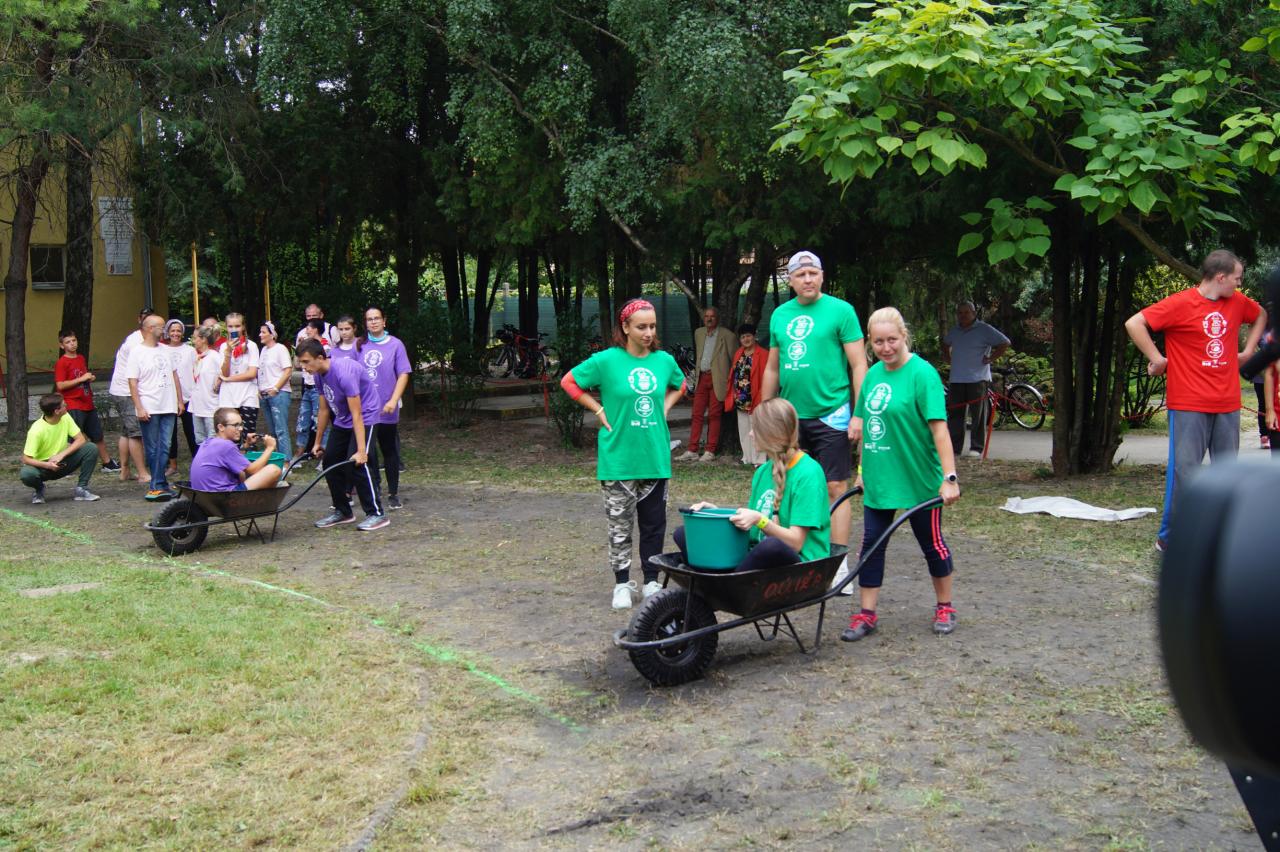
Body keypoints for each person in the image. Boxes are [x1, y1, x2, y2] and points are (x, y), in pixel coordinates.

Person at [1125, 249, 1266, 552]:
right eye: (1237, 278)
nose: (1239, 284)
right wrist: (1157, 358)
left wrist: (1248, 351)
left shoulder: (1237, 302)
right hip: (1189, 402)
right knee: (1186, 472)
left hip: (1227, 401)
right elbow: (1134, 323)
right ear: (1220, 277)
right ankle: (1171, 538)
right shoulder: (1180, 303)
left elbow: (1261, 316)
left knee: (1227, 472)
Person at [842, 308, 961, 642]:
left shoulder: (922, 374)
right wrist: (862, 470)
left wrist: (949, 478)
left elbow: (940, 431)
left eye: (892, 339)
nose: (886, 347)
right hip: (880, 478)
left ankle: (945, 606)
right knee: (871, 545)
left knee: (932, 544)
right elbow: (868, 428)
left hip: (919, 478)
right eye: (878, 342)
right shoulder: (872, 377)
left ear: (904, 336)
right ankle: (866, 614)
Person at [560, 298, 686, 610]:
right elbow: (569, 382)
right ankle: (621, 584)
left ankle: (651, 581)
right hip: (618, 460)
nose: (648, 332)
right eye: (641, 327)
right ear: (625, 327)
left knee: (654, 525)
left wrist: (664, 407)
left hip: (654, 457)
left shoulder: (663, 361)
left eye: (652, 326)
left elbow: (681, 384)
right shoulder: (606, 361)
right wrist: (598, 409)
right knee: (620, 527)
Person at [761, 250, 868, 593]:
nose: (807, 279)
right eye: (800, 274)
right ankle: (793, 559)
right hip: (790, 418)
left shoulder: (841, 311)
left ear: (822, 276)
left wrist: (859, 413)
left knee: (835, 487)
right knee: (786, 485)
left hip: (832, 413)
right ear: (790, 280)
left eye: (813, 273)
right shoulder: (780, 315)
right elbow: (773, 368)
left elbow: (859, 364)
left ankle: (837, 565)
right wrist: (763, 413)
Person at [674, 398, 829, 571]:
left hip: (799, 563)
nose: (750, 434)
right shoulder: (763, 472)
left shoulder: (808, 473)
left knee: (771, 546)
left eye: (755, 428)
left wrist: (760, 521)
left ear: (772, 433)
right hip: (758, 556)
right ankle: (717, 581)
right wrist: (716, 514)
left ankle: (722, 583)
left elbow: (795, 543)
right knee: (684, 534)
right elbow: (752, 528)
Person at [296, 338, 389, 532]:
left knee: (357, 463)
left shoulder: (343, 373)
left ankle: (376, 514)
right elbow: (323, 410)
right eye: (301, 362)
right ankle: (343, 511)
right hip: (343, 419)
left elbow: (357, 414)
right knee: (330, 462)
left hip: (366, 416)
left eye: (306, 362)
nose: (303, 367)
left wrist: (361, 451)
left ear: (320, 358)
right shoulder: (318, 375)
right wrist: (317, 442)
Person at [125, 313, 184, 501]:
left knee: (165, 446)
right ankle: (157, 485)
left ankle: (159, 485)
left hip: (168, 405)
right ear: (150, 329)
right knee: (152, 447)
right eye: (161, 326)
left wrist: (179, 400)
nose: (165, 329)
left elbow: (175, 376)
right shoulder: (137, 352)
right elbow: (132, 382)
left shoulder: (166, 350)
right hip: (150, 406)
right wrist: (139, 407)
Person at [942, 300, 1010, 459]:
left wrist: (991, 358)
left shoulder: (984, 329)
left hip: (978, 379)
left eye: (966, 312)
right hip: (957, 378)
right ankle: (955, 448)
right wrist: (948, 357)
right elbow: (945, 343)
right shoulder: (955, 330)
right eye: (960, 313)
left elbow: (1005, 342)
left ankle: (976, 447)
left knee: (978, 415)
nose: (963, 316)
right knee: (955, 415)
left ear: (973, 313)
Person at [359, 307, 412, 509]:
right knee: (369, 452)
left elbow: (403, 374)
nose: (373, 322)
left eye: (376, 318)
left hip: (387, 408)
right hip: (365, 409)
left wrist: (393, 400)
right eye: (369, 319)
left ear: (384, 321)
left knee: (389, 450)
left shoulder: (396, 344)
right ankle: (375, 488)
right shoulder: (360, 344)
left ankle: (393, 493)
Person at [53, 329, 118, 472]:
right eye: (68, 342)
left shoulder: (81, 358)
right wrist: (81, 379)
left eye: (74, 340)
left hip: (87, 402)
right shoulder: (62, 363)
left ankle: (107, 463)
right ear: (62, 346)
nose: (72, 344)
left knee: (97, 434)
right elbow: (60, 385)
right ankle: (63, 464)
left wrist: (88, 378)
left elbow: (81, 377)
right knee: (73, 437)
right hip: (73, 404)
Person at [675, 306, 733, 462]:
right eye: (706, 316)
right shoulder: (699, 333)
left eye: (712, 316)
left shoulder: (727, 335)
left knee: (714, 415)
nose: (709, 319)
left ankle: (710, 450)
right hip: (702, 377)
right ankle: (692, 449)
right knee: (696, 414)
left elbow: (734, 360)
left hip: (717, 379)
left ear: (717, 318)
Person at [19, 393, 101, 504]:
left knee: (91, 448)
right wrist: (48, 465)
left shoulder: (65, 416)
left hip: (62, 462)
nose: (66, 405)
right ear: (57, 411)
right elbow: (26, 459)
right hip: (43, 467)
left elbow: (81, 440)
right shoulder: (36, 430)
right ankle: (39, 489)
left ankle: (82, 489)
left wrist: (61, 455)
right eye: (64, 405)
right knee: (26, 474)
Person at [189, 407, 283, 491]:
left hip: (204, 495)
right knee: (274, 470)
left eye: (241, 424)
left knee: (240, 471)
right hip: (223, 496)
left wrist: (246, 445)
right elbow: (252, 470)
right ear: (221, 427)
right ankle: (261, 501)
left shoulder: (209, 442)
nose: (241, 428)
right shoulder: (226, 446)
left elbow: (236, 461)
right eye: (236, 425)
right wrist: (270, 448)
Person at [107, 308, 151, 483]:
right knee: (135, 432)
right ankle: (142, 473)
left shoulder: (141, 339)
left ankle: (124, 471)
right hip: (125, 391)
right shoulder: (136, 342)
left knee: (126, 432)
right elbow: (136, 373)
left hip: (122, 390)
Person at [725, 323, 769, 465]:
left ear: (754, 336)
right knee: (744, 429)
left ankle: (759, 459)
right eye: (743, 337)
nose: (746, 339)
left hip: (756, 396)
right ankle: (747, 458)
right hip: (740, 397)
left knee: (757, 429)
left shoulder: (763, 354)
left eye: (748, 336)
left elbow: (766, 378)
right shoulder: (739, 353)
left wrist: (763, 396)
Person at [163, 319, 198, 476]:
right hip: (169, 397)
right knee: (170, 433)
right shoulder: (162, 350)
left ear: (183, 333)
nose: (175, 333)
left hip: (189, 397)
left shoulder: (190, 350)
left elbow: (196, 372)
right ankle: (172, 465)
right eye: (172, 330)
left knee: (192, 432)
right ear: (168, 332)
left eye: (178, 330)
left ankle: (197, 462)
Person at [218, 312, 261, 438]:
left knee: (247, 436)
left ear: (243, 327)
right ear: (226, 327)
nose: (234, 329)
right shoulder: (223, 346)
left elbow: (252, 373)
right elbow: (224, 372)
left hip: (248, 395)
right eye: (230, 326)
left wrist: (228, 379)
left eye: (237, 326)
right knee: (229, 436)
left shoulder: (252, 346)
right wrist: (228, 352)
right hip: (228, 397)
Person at [295, 318, 332, 458]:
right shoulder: (306, 348)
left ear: (316, 329)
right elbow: (296, 365)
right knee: (302, 421)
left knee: (320, 421)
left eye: (309, 328)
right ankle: (300, 454)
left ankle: (324, 455)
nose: (306, 331)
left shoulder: (325, 348)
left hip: (318, 389)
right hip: (308, 387)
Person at [257, 321, 293, 459]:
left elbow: (288, 370)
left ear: (273, 335)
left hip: (279, 393)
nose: (260, 335)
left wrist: (276, 388)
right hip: (265, 393)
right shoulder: (264, 350)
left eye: (264, 332)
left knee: (281, 429)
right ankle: (277, 458)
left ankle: (286, 460)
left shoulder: (280, 349)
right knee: (272, 430)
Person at [189, 326, 222, 446]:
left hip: (211, 405)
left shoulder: (214, 356)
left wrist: (218, 381)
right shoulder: (198, 357)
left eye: (195, 338)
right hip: (196, 405)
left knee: (213, 440)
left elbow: (224, 372)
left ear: (203, 339)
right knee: (199, 440)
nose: (193, 341)